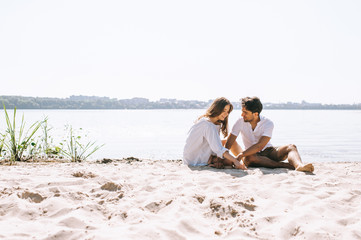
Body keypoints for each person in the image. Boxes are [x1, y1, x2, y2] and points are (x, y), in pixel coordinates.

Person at [225, 96, 314, 172]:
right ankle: (285, 166)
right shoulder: (240, 122)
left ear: (255, 114)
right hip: (252, 155)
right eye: (242, 111)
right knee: (249, 158)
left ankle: (299, 165)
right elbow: (230, 141)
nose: (242, 115)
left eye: (245, 113)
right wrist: (224, 157)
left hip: (269, 152)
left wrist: (241, 154)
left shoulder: (268, 123)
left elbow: (260, 145)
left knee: (291, 147)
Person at [183, 97, 247, 170]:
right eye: (224, 110)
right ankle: (241, 162)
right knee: (229, 161)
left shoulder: (215, 123)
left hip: (204, 152)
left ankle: (244, 160)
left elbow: (214, 144)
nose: (226, 114)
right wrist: (235, 161)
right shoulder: (207, 125)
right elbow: (218, 148)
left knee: (229, 144)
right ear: (217, 109)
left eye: (228, 112)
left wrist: (217, 157)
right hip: (195, 159)